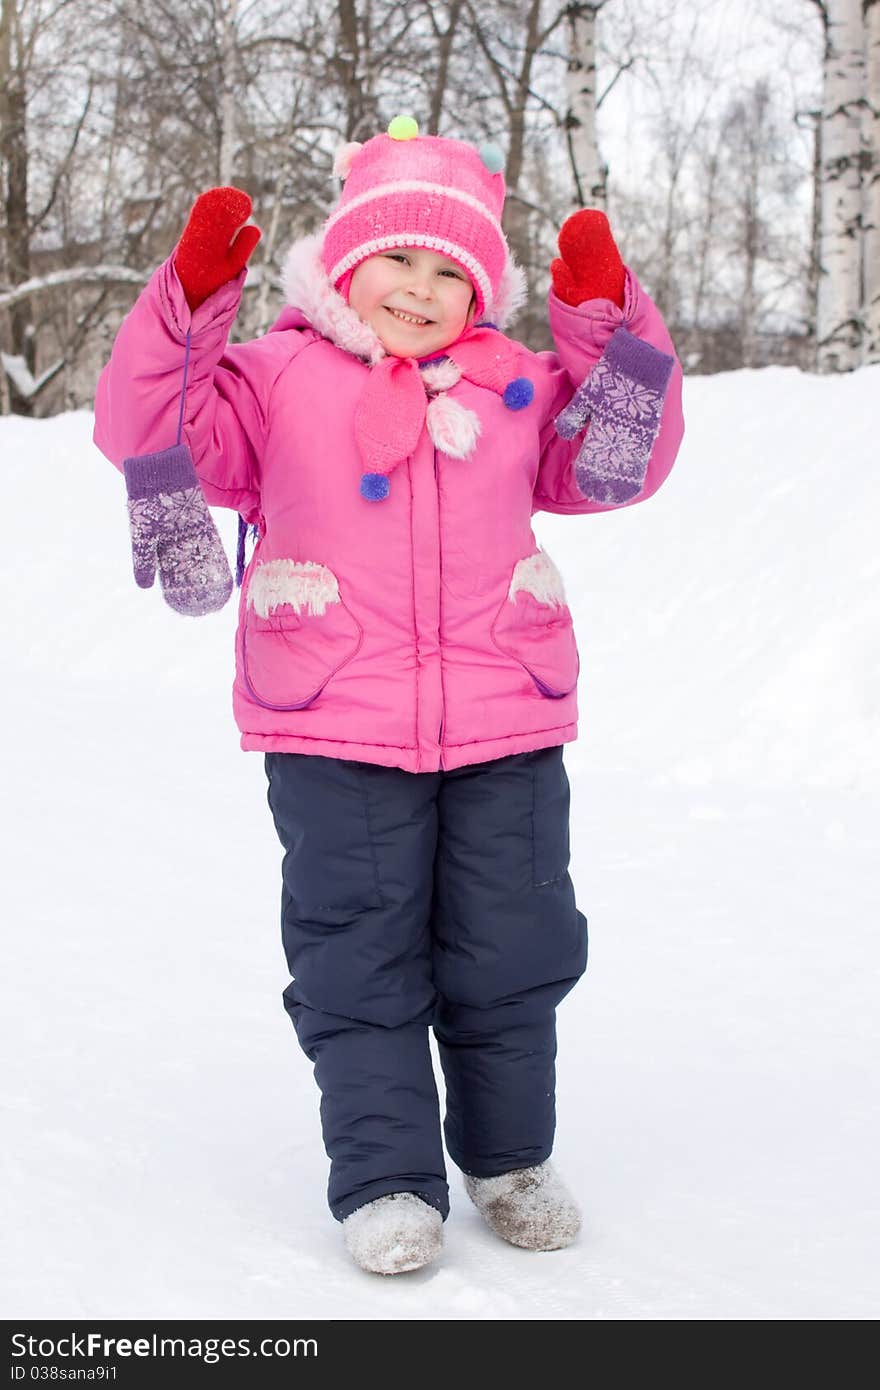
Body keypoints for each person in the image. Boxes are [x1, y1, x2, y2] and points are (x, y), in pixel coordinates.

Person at [93, 117, 684, 1276]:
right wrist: (190, 302)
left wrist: (608, 321)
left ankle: (509, 1156)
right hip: (331, 716)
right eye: (398, 260)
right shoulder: (271, 379)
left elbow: (623, 459)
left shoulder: (519, 385)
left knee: (513, 943)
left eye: (449, 270)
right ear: (343, 262)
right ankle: (386, 1178)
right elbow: (144, 426)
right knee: (358, 953)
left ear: (482, 288)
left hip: (504, 714)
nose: (419, 289)